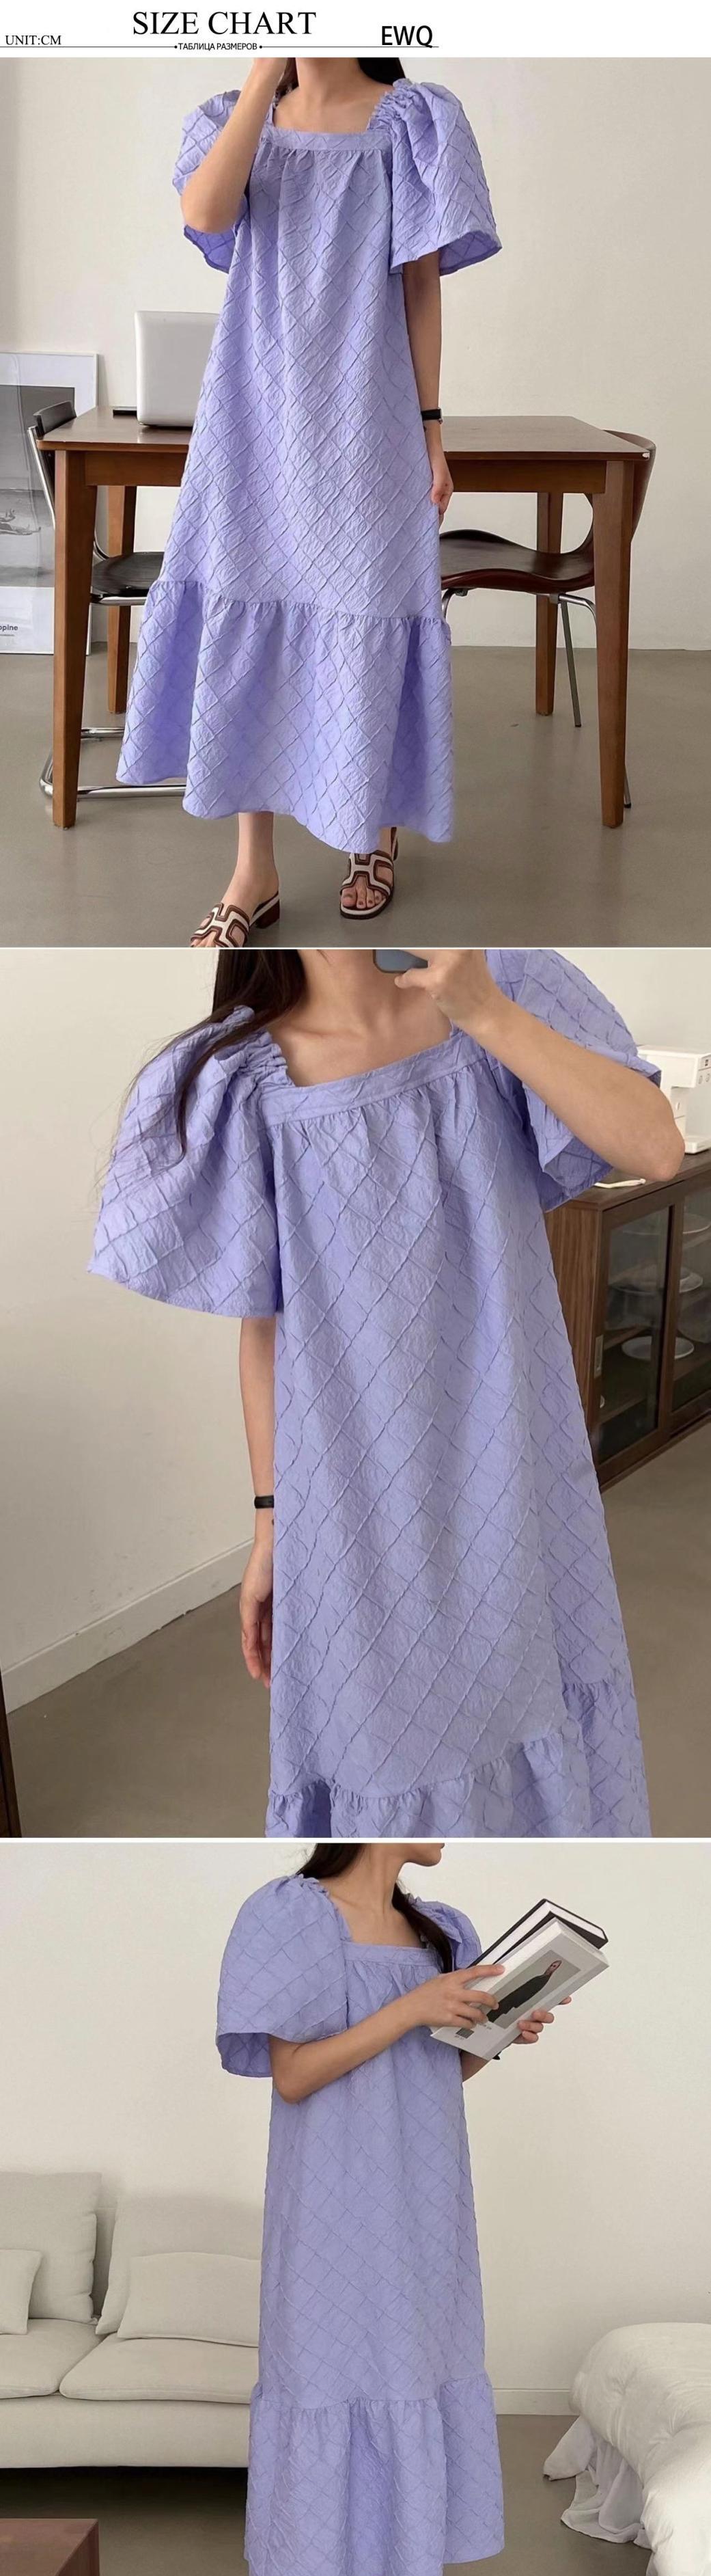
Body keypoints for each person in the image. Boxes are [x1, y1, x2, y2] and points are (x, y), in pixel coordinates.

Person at [92, 947, 683, 1839]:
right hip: (351, 1512)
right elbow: (267, 1325)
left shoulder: (507, 984)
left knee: (535, 1704)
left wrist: (484, 1012)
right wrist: (270, 1525)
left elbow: (657, 1147)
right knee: (379, 1754)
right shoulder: (235, 1080)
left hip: (519, 1473)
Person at [114, 57, 499, 932]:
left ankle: (372, 829)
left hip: (369, 418)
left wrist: (432, 429)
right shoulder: (235, 115)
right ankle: (254, 869)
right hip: (254, 417)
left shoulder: (414, 122)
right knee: (248, 608)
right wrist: (263, 82)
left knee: (368, 612)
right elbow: (205, 215)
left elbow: (421, 287)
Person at [217, 1838, 566, 2576]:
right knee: (323, 2389)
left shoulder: (443, 1929)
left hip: (425, 2203)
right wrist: (413, 2006)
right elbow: (294, 2074)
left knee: (416, 2381)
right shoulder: (289, 1915)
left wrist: (500, 2035)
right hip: (329, 2205)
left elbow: (438, 2070)